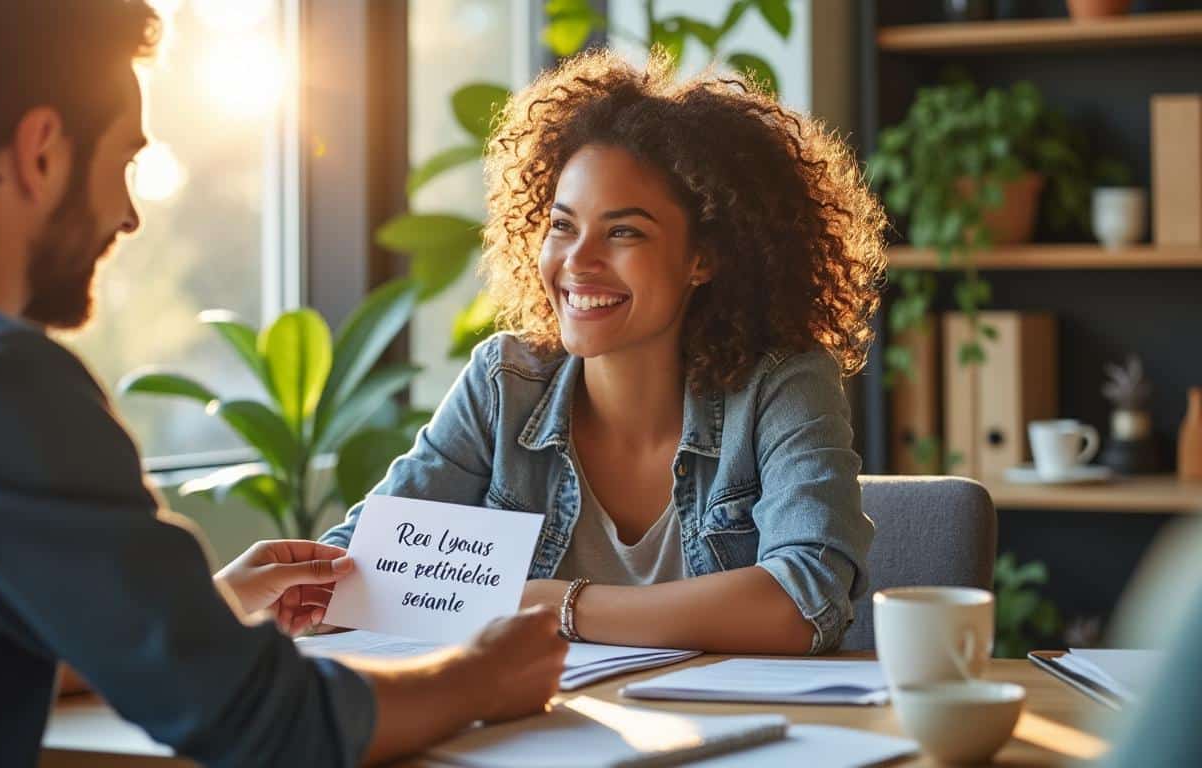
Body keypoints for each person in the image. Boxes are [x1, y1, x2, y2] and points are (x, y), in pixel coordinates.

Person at [0, 2, 565, 766]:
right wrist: (479, 678)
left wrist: (205, 608)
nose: (128, 217)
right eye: (124, 161)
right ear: (41, 152)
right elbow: (264, 722)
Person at [319, 50, 888, 656]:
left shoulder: (781, 384)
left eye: (624, 232)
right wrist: (258, 591)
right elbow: (362, 565)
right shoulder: (505, 383)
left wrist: (555, 604)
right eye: (563, 226)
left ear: (705, 257)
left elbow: (803, 602)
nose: (578, 262)